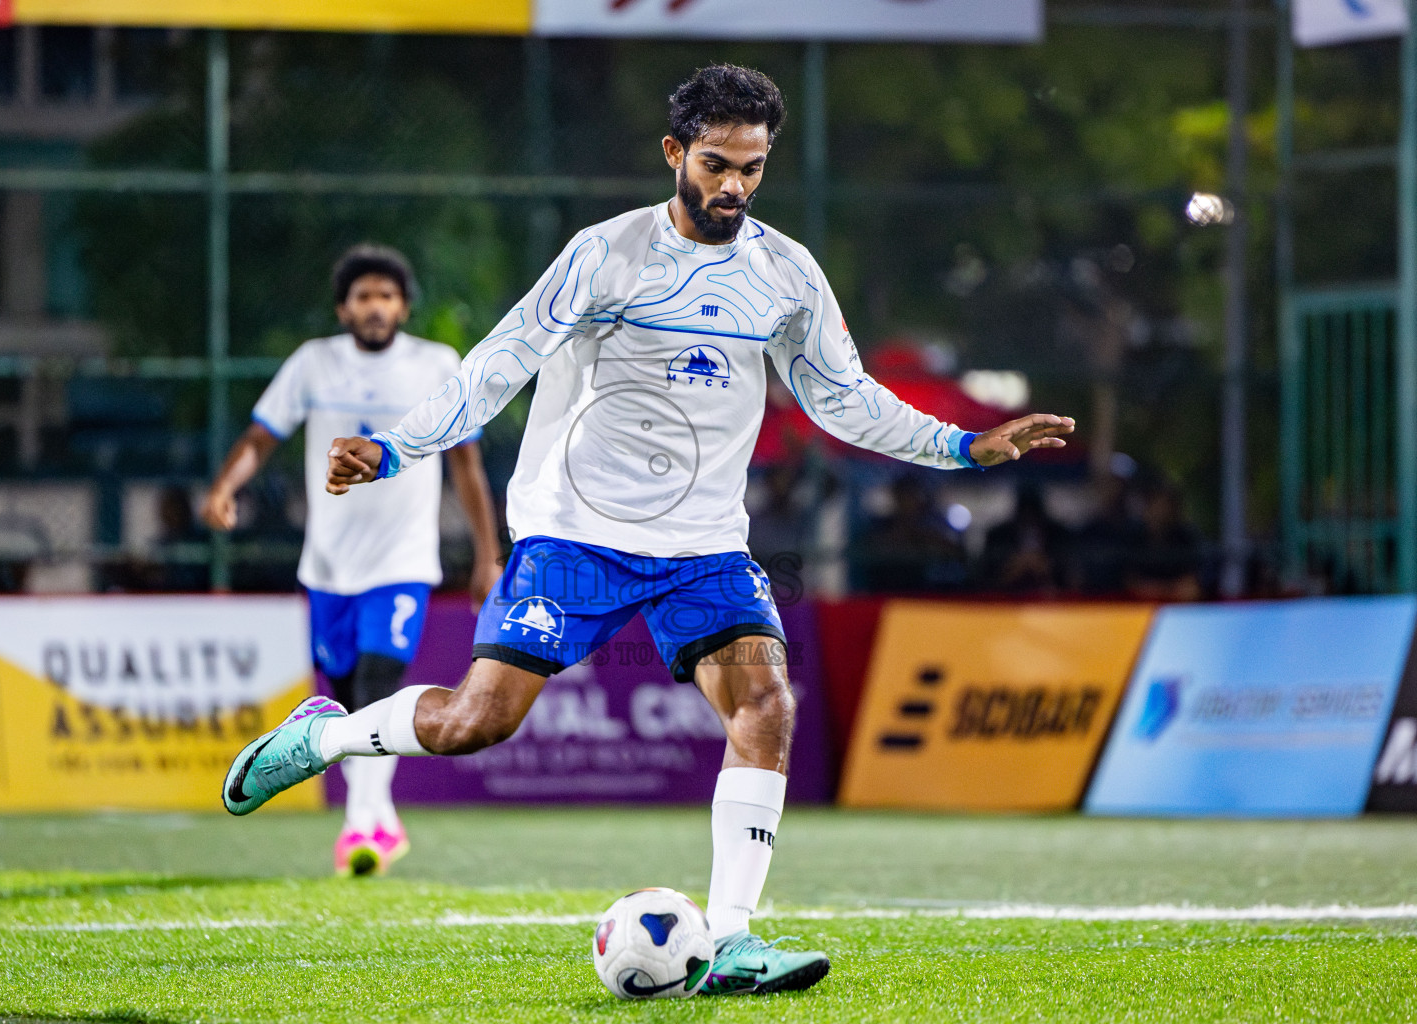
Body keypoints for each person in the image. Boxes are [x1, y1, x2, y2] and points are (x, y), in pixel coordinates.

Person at [222, 66, 1073, 995]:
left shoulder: (784, 275)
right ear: (675, 154)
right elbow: (496, 365)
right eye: (716, 163)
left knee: (765, 705)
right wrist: (393, 450)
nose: (734, 186)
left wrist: (961, 445)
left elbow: (844, 399)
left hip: (704, 545)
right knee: (479, 721)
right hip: (572, 532)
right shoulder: (606, 256)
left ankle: (737, 938)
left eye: (752, 167)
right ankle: (329, 736)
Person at [204, 244, 502, 877]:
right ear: (344, 308)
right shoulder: (313, 363)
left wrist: (487, 553)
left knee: (376, 681)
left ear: (403, 306)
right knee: (342, 701)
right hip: (328, 566)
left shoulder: (436, 363)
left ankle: (360, 826)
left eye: (387, 296)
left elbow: (466, 463)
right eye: (363, 296)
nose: (376, 307)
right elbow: (262, 437)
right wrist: (226, 486)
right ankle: (383, 819)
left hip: (402, 561)